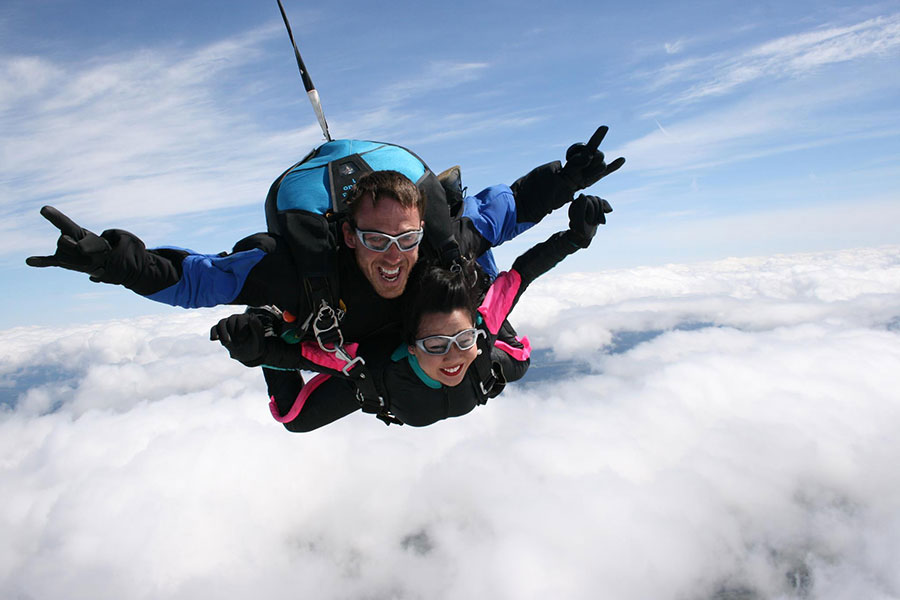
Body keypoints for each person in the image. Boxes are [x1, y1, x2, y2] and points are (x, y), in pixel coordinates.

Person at [213, 194, 610, 429]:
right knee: (295, 419)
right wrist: (263, 342)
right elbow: (300, 353)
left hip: (471, 328)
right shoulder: (378, 366)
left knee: (506, 334)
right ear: (414, 347)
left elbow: (524, 274)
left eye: (461, 341)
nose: (454, 357)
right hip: (397, 375)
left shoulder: (485, 346)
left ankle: (461, 255)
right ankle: (452, 231)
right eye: (437, 345)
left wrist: (576, 237)